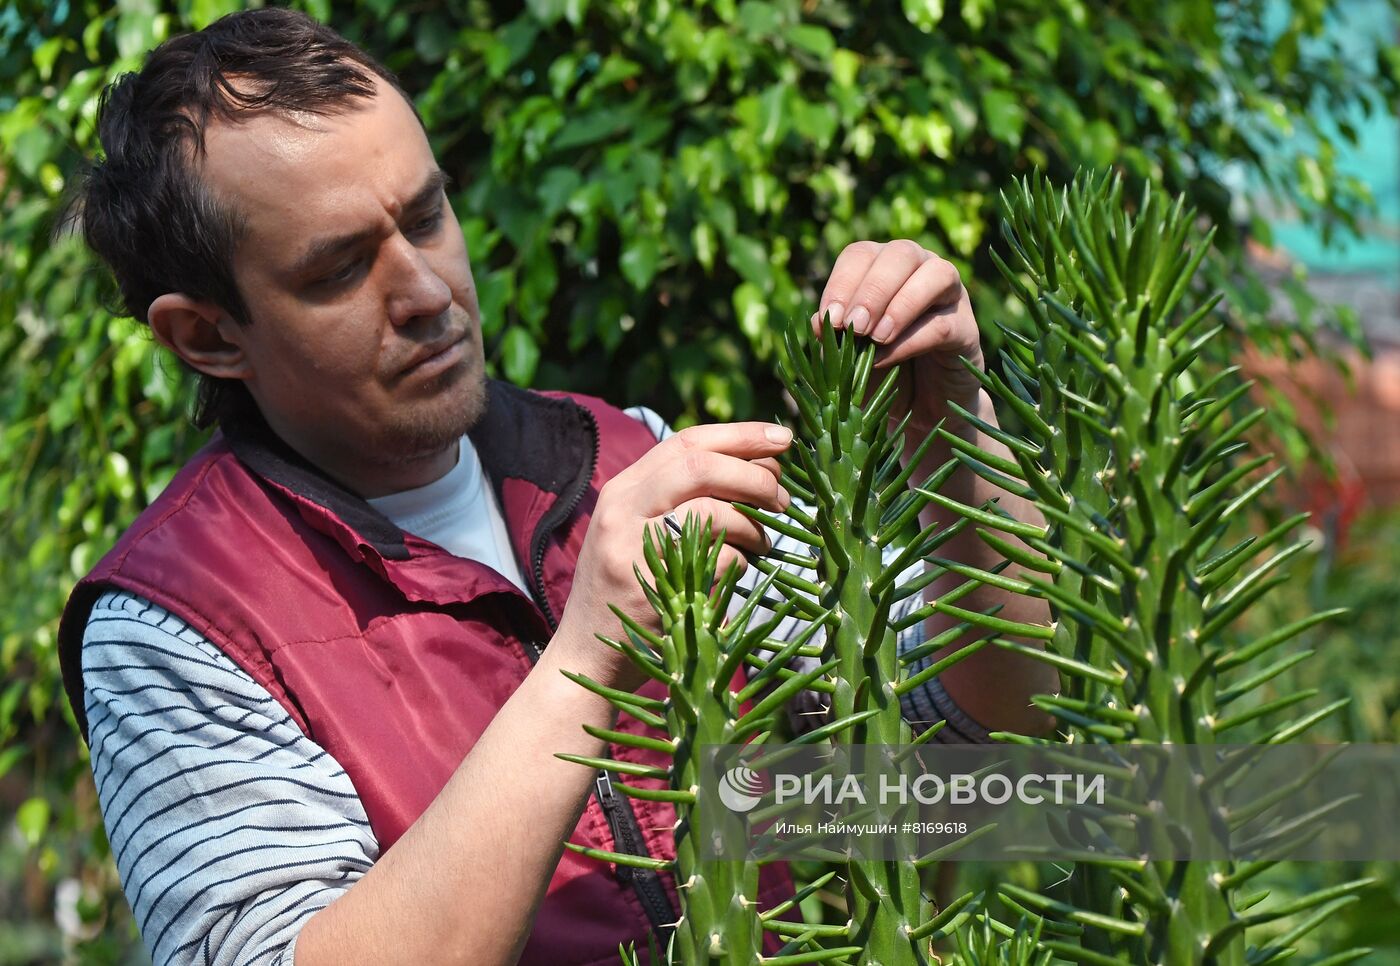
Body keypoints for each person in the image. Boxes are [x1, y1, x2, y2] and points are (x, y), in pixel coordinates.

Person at [55, 9, 1056, 965]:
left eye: (426, 214)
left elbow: (984, 744)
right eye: (337, 270)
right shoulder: (173, 625)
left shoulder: (623, 457)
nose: (426, 291)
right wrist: (589, 646)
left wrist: (954, 433)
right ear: (208, 334)